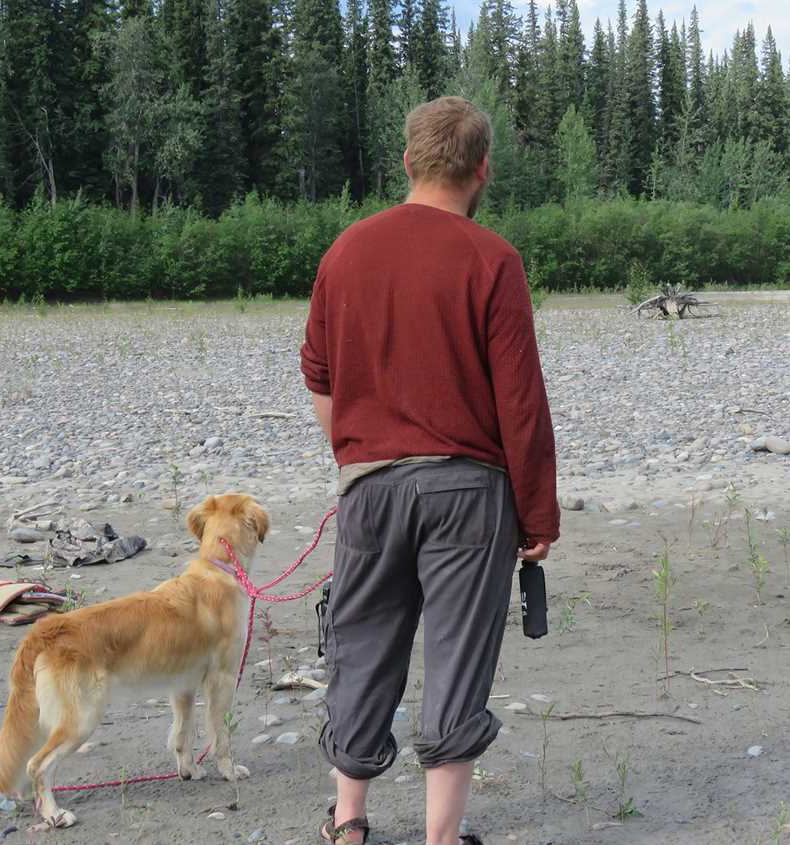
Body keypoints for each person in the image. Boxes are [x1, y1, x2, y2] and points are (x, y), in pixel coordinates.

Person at [299, 96, 559, 845]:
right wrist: (538, 515)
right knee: (458, 653)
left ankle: (349, 824)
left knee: (362, 643)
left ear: (407, 163)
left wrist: (355, 455)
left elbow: (319, 375)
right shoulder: (493, 259)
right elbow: (521, 402)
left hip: (371, 489)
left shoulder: (345, 251)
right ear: (483, 171)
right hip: (469, 492)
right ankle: (440, 840)